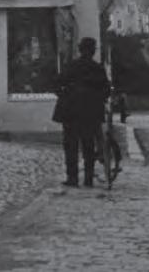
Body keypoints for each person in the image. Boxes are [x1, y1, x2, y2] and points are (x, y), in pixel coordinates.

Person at [52, 37, 110, 188]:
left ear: (80, 49)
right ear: (93, 51)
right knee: (88, 145)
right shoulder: (97, 69)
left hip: (71, 111)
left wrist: (64, 96)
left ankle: (72, 178)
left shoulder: (72, 66)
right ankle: (88, 179)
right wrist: (96, 100)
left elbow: (57, 83)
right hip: (90, 113)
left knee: (70, 146)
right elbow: (106, 91)